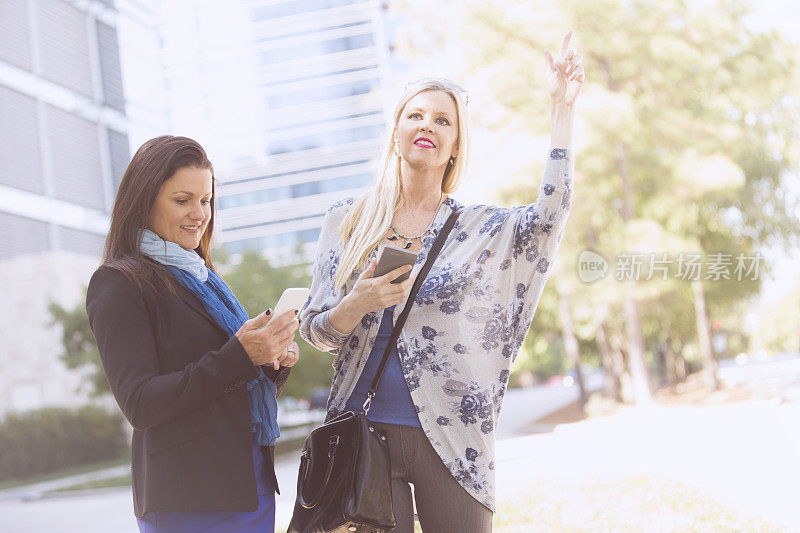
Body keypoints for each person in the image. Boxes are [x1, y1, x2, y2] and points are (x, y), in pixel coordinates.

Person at [299, 32, 584, 532]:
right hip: (363, 437)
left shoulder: (479, 229)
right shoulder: (346, 221)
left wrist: (562, 112)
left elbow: (548, 218)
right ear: (396, 132)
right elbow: (317, 331)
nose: (426, 125)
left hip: (453, 442)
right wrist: (358, 303)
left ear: (454, 146)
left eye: (442, 120)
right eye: (415, 115)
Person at [86, 135, 300, 532]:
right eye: (182, 200)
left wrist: (269, 362)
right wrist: (240, 354)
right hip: (188, 500)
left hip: (248, 479)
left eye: (206, 201)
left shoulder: (201, 277)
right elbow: (141, 404)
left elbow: (227, 385)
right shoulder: (118, 283)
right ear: (144, 200)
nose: (199, 214)